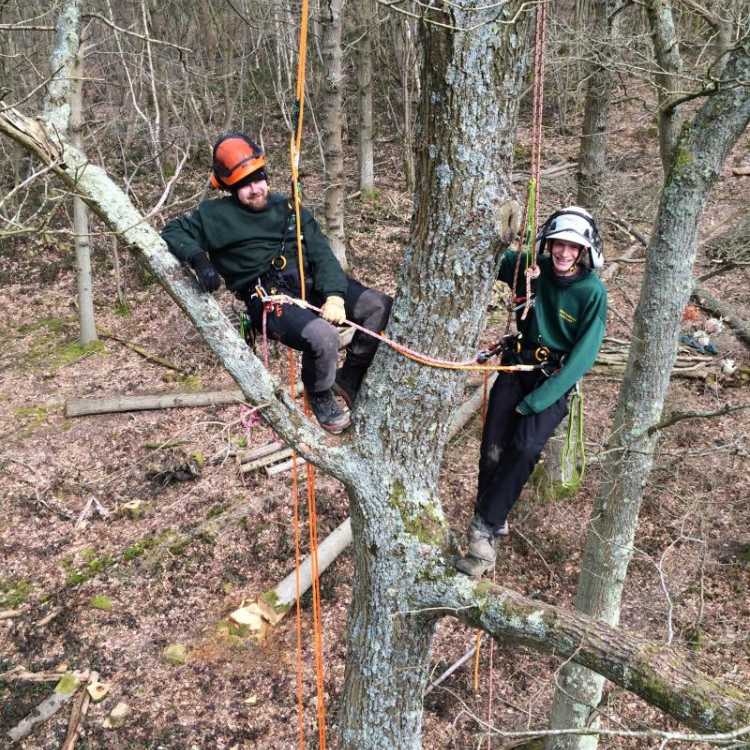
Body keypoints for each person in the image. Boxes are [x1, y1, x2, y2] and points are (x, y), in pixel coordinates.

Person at [162, 132, 392, 434]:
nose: (255, 189)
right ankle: (320, 394)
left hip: (311, 284)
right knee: (323, 337)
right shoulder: (213, 216)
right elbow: (173, 231)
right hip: (270, 297)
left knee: (378, 306)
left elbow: (322, 255)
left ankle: (349, 377)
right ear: (231, 188)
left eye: (258, 179)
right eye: (245, 185)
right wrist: (199, 260)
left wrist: (335, 295)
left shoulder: (289, 210)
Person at [455, 206, 608, 577]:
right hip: (515, 364)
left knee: (524, 448)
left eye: (573, 247)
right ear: (549, 244)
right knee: (492, 448)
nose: (565, 253)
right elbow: (486, 255)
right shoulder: (531, 269)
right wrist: (502, 235)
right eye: (559, 244)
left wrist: (539, 400)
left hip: (552, 379)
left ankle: (484, 527)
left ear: (584, 251)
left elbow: (582, 357)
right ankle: (494, 517)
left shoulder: (592, 292)